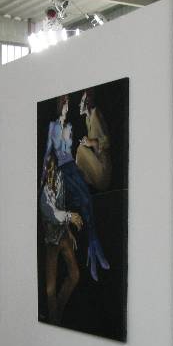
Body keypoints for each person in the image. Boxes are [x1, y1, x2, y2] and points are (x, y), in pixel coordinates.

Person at [43, 95, 109, 281]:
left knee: (88, 200)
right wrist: (44, 179)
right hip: (62, 170)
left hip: (72, 166)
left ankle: (94, 250)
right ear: (61, 105)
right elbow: (48, 153)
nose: (67, 107)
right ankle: (94, 253)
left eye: (68, 104)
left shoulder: (69, 126)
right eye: (65, 104)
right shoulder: (53, 127)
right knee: (84, 201)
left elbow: (70, 151)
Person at [39, 153, 83, 324]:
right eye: (48, 169)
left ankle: (57, 311)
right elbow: (53, 214)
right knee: (50, 290)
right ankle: (54, 319)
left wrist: (69, 232)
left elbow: (62, 205)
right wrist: (70, 216)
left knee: (75, 275)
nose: (51, 174)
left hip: (63, 236)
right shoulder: (43, 194)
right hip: (51, 242)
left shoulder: (60, 180)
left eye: (53, 169)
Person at [77, 88, 112, 191]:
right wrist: (87, 141)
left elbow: (107, 142)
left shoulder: (95, 114)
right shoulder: (87, 119)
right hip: (97, 162)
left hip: (103, 170)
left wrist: (91, 142)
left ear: (87, 101)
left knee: (81, 150)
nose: (79, 104)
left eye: (82, 101)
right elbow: (94, 140)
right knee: (81, 148)